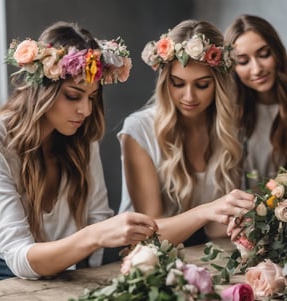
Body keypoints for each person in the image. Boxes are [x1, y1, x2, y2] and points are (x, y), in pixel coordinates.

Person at [0, 21, 158, 287]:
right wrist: (95, 235)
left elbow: (97, 217)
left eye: (92, 97)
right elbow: (19, 257)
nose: (86, 111)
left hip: (69, 275)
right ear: (43, 87)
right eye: (73, 96)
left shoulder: (81, 135)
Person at [118, 19, 254, 246]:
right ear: (165, 82)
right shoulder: (138, 130)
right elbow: (148, 236)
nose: (189, 97)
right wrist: (206, 211)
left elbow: (218, 228)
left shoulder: (229, 128)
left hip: (208, 255)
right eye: (178, 83)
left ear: (218, 84)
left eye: (201, 85)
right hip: (147, 263)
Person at [224, 14, 287, 190]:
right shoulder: (230, 113)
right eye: (243, 61)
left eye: (264, 54)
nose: (257, 69)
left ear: (277, 52)